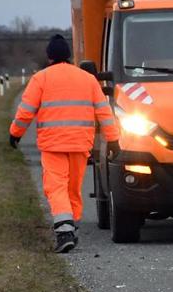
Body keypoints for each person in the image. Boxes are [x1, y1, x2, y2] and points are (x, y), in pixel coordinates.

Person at [9, 34, 119, 252]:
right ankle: (71, 226)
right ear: (68, 56)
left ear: (49, 56)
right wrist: (113, 139)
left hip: (53, 145)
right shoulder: (87, 79)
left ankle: (64, 232)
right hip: (80, 144)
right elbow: (104, 112)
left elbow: (26, 111)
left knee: (56, 187)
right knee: (73, 188)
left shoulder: (41, 78)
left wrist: (15, 133)